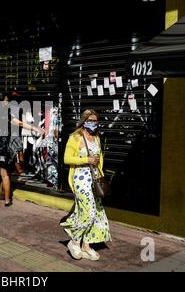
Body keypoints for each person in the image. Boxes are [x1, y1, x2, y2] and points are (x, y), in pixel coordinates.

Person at [60, 109, 111, 261]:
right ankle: (74, 241)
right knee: (88, 212)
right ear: (84, 121)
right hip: (80, 179)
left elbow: (100, 157)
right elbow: (66, 159)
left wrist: (100, 173)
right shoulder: (75, 137)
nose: (93, 123)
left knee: (96, 212)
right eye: (90, 120)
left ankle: (86, 245)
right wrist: (86, 160)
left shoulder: (96, 138)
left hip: (94, 179)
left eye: (96, 120)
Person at [0, 93, 44, 209]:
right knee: (5, 175)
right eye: (5, 100)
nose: (7, 102)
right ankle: (7, 200)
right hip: (4, 149)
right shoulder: (6, 115)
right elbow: (20, 123)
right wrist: (35, 128)